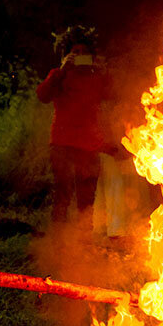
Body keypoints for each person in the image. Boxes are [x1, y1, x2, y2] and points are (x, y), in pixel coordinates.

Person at [36, 25, 109, 231]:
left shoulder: (96, 77)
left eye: (84, 53)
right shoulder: (59, 74)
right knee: (62, 195)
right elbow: (42, 95)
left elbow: (114, 95)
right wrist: (61, 70)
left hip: (89, 146)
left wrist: (103, 71)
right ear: (66, 54)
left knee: (87, 200)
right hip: (62, 144)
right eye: (75, 52)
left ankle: (83, 244)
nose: (80, 56)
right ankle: (59, 244)